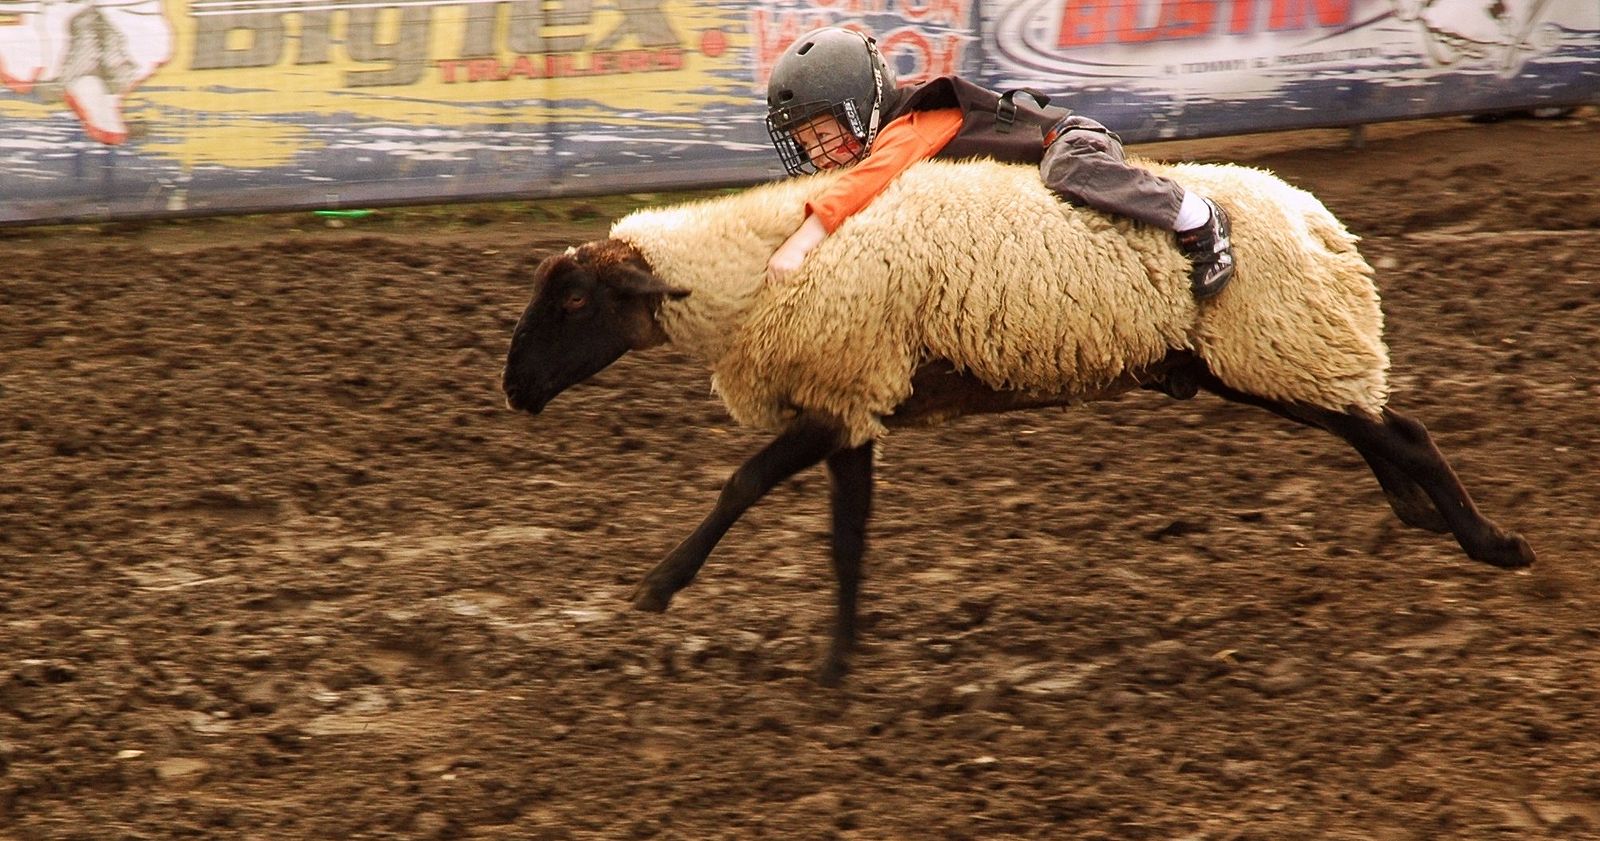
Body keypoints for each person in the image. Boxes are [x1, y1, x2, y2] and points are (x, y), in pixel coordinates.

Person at [763, 26, 1235, 301]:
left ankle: (1199, 216)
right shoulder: (887, 131)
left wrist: (803, 239)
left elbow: (873, 177)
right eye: (804, 142)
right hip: (1049, 154)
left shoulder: (912, 124)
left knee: (1067, 173)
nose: (815, 152)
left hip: (1067, 140)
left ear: (861, 107)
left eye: (822, 134)